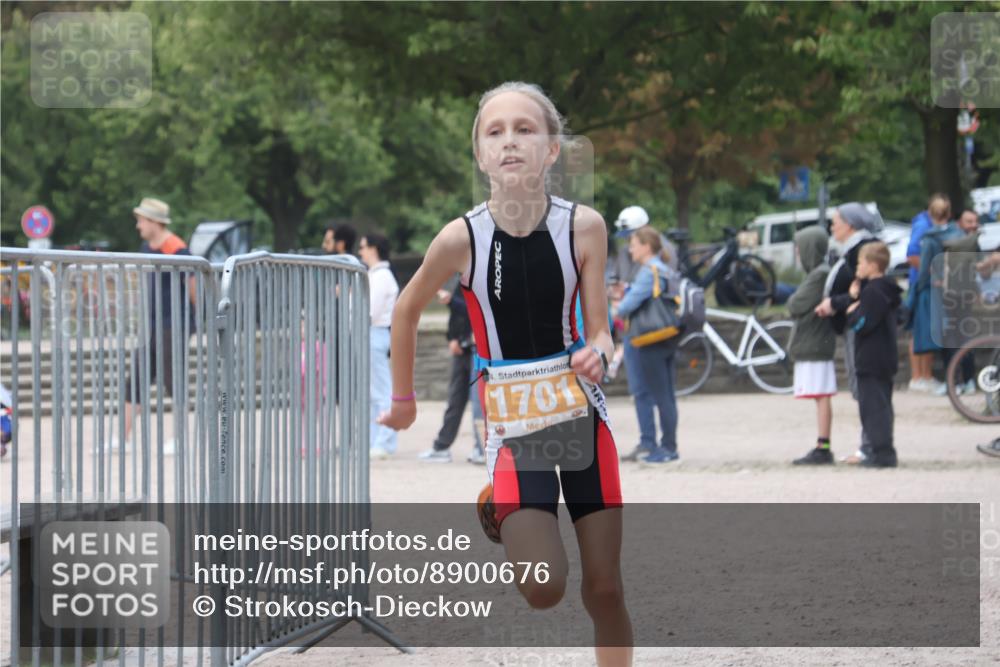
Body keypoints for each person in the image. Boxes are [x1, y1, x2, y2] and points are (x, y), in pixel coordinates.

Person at [377, 81, 632, 665]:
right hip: (516, 431)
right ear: (480, 154)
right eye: (495, 131)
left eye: (525, 129)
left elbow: (600, 330)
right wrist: (404, 399)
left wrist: (599, 351)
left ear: (551, 150)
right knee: (545, 589)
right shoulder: (460, 237)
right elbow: (406, 310)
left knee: (605, 588)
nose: (510, 141)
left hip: (581, 421)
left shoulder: (584, 227)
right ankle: (504, 495)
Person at [118, 197, 194, 456]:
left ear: (154, 222)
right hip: (150, 324)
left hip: (173, 323)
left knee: (173, 380)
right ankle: (122, 438)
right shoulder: (147, 247)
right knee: (136, 378)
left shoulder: (176, 248)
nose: (138, 225)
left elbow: (193, 284)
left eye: (141, 220)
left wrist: (195, 321)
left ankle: (180, 437)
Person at [814, 202, 881, 464]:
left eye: (836, 221)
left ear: (851, 225)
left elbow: (863, 291)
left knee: (865, 386)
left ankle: (869, 446)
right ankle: (869, 445)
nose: (832, 226)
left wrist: (835, 303)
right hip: (852, 324)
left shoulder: (861, 250)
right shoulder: (853, 250)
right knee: (860, 386)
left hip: (861, 326)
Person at [613, 226, 680, 464]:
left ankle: (667, 449)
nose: (630, 248)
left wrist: (613, 306)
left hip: (648, 340)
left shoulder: (649, 271)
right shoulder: (663, 269)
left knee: (658, 395)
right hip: (665, 337)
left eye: (633, 244)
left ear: (646, 246)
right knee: (666, 394)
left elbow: (625, 308)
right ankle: (664, 445)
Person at [845, 242, 902, 468]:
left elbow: (863, 323)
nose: (857, 267)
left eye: (860, 262)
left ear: (873, 265)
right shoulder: (885, 289)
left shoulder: (873, 291)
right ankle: (880, 450)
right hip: (884, 357)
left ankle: (881, 453)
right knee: (881, 405)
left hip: (871, 358)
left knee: (874, 408)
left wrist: (852, 311)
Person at [418, 279, 486, 464]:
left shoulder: (485, 273)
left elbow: (476, 312)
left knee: (478, 401)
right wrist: (453, 337)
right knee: (455, 399)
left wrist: (451, 302)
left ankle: (481, 448)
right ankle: (441, 446)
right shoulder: (463, 278)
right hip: (463, 347)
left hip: (479, 349)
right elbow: (458, 315)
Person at [786, 226, 838, 465]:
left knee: (821, 394)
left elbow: (795, 304)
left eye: (800, 248)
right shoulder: (817, 273)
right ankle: (822, 444)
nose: (797, 254)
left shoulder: (818, 275)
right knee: (820, 395)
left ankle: (823, 445)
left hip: (816, 341)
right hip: (815, 340)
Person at [906, 198, 962, 395]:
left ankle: (924, 377)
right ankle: (923, 377)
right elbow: (912, 255)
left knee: (924, 331)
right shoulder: (956, 232)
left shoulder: (929, 234)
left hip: (932, 287)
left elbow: (919, 262)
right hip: (949, 288)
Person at [359, 232, 399, 459]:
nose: (360, 251)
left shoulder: (382, 276)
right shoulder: (375, 275)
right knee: (374, 392)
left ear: (373, 249)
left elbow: (369, 312)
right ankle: (376, 439)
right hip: (371, 334)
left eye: (363, 247)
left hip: (375, 333)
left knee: (382, 391)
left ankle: (384, 441)